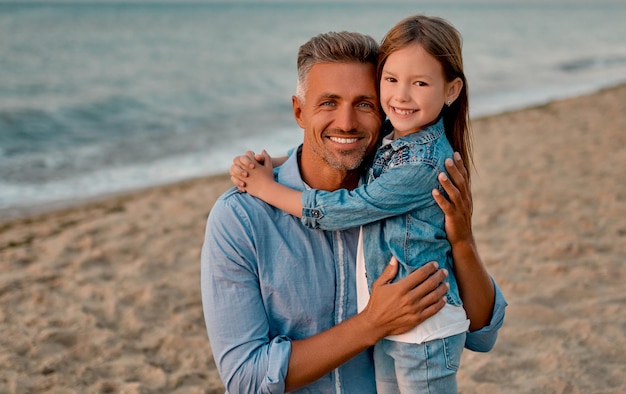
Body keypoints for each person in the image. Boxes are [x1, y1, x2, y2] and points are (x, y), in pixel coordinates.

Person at [203, 30, 506, 393]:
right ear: (300, 111)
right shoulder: (241, 219)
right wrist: (372, 324)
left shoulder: (402, 195)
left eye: (364, 104)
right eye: (328, 102)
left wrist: (462, 240)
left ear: (386, 113)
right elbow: (246, 380)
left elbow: (483, 333)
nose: (346, 122)